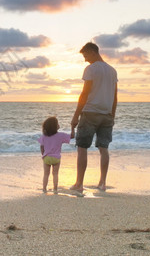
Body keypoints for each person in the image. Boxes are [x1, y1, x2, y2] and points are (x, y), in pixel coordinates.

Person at [70, 42, 117, 193]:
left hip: (90, 112)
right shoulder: (112, 70)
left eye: (85, 56)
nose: (85, 60)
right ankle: (102, 183)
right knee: (104, 148)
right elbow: (115, 96)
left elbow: (84, 94)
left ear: (92, 51)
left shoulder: (91, 69)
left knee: (82, 147)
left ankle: (79, 184)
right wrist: (112, 115)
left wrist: (76, 116)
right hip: (107, 115)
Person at [38, 116, 75, 193]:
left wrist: (43, 155)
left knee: (46, 174)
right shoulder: (61, 135)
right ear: (55, 126)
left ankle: (44, 189)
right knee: (55, 174)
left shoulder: (44, 136)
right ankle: (55, 189)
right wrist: (72, 128)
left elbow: (42, 147)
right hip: (56, 158)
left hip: (46, 157)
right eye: (57, 123)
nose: (58, 124)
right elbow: (72, 136)